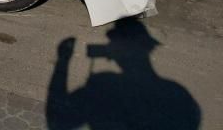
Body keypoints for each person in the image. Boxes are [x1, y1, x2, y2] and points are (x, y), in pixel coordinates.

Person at [46, 19, 201, 130]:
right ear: (147, 48)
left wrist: (63, 60)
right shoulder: (176, 92)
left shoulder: (103, 83)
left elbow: (57, 121)